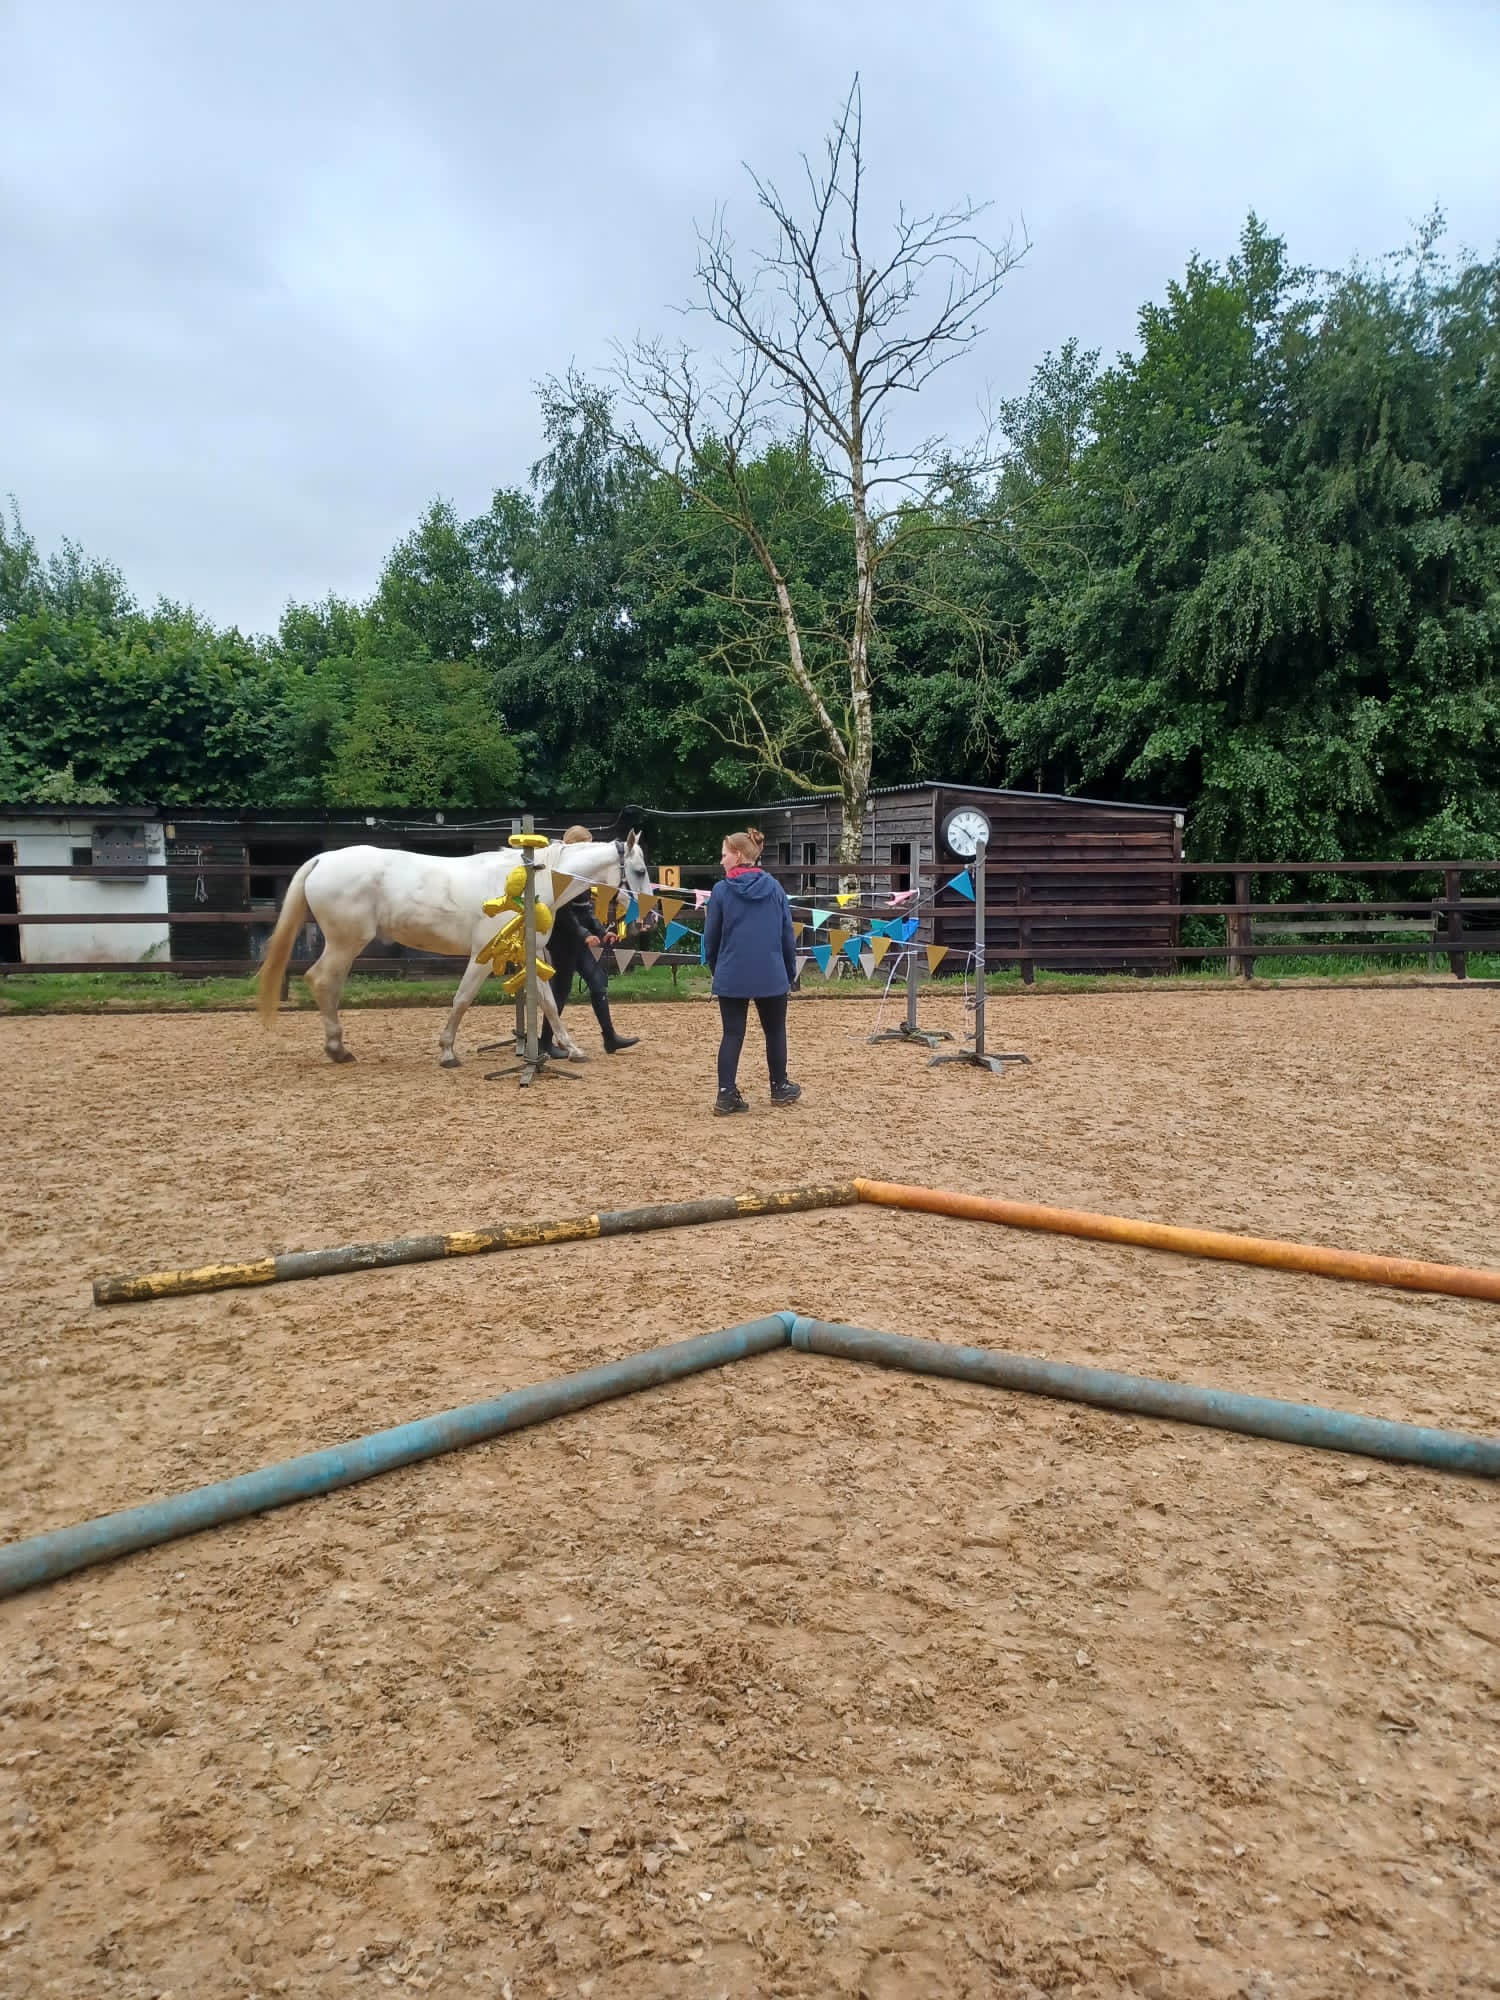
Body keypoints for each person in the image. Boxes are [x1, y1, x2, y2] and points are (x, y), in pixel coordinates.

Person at [703, 827, 801, 1115]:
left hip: (732, 971)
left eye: (724, 855)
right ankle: (779, 1087)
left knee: (732, 1033)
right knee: (775, 1030)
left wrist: (717, 969)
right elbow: (787, 934)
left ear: (737, 855)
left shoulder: (721, 891)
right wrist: (789, 972)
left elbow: (711, 938)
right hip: (771, 971)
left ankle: (725, 1094)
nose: (721, 860)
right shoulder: (775, 888)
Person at [538, 825, 640, 1058]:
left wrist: (601, 932)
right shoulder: (561, 874)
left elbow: (586, 909)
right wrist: (585, 934)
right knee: (561, 990)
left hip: (580, 940)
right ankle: (545, 1041)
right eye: (587, 844)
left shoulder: (583, 875)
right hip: (563, 939)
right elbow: (564, 913)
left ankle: (610, 1037)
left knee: (597, 983)